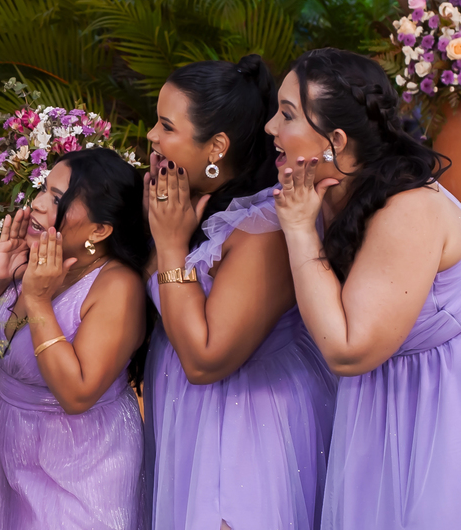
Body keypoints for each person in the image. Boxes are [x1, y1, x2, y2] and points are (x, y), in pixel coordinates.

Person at [269, 49, 461, 530]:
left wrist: (300, 231)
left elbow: (348, 349)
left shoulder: (408, 209)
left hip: (439, 410)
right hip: (378, 404)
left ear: (335, 140)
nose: (271, 127)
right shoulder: (328, 190)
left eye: (287, 115)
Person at [144, 55, 336, 530]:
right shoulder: (185, 205)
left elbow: (205, 359)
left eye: (166, 126)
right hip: (191, 419)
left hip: (244, 432)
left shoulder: (263, 230)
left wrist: (170, 247)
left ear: (217, 146)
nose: (151, 136)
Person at [0, 149, 148, 530]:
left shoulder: (117, 286)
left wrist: (38, 302)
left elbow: (77, 394)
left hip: (83, 467)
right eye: (43, 189)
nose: (37, 204)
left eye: (57, 199)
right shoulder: (34, 258)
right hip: (15, 457)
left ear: (99, 230)